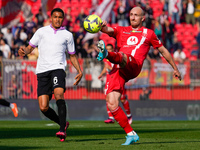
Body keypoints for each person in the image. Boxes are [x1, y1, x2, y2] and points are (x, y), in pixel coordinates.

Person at [96, 6, 182, 145]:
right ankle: (131, 134)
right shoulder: (121, 30)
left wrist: (175, 68)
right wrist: (101, 26)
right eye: (131, 14)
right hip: (119, 69)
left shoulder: (149, 33)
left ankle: (107, 54)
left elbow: (163, 51)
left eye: (136, 15)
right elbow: (107, 30)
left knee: (123, 55)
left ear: (143, 18)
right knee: (112, 103)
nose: (133, 17)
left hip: (133, 65)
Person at [18, 8, 83, 142]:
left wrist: (79, 70)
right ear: (51, 18)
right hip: (42, 71)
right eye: (55, 17)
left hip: (57, 68)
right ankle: (63, 123)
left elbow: (72, 55)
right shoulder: (41, 32)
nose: (58, 19)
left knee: (59, 94)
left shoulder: (67, 35)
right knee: (44, 107)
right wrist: (24, 50)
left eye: (60, 17)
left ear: (63, 18)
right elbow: (30, 47)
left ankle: (61, 130)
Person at [98, 44, 132, 124]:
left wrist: (109, 68)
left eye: (110, 49)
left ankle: (129, 115)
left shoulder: (116, 57)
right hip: (109, 80)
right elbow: (105, 67)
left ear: (113, 49)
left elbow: (115, 67)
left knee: (122, 99)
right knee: (107, 98)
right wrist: (101, 74)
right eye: (108, 49)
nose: (109, 51)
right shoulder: (106, 58)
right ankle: (111, 117)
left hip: (117, 80)